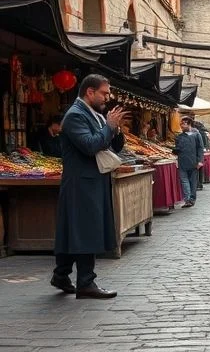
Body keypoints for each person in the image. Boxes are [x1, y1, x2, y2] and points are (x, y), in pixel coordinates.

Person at [51, 74, 128, 299]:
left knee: (73, 229)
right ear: (90, 92)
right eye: (104, 93)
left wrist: (116, 128)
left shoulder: (94, 114)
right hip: (81, 183)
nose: (108, 97)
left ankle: (61, 275)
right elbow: (90, 145)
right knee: (85, 230)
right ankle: (86, 282)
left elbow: (114, 145)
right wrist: (108, 126)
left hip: (92, 181)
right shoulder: (75, 115)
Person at [173, 116, 204, 208]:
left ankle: (192, 199)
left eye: (183, 124)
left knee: (193, 182)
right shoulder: (179, 137)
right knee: (184, 181)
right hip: (182, 161)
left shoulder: (196, 135)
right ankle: (187, 199)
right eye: (181, 124)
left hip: (193, 162)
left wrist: (200, 161)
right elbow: (177, 148)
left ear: (188, 123)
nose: (181, 126)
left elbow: (200, 148)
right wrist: (175, 150)